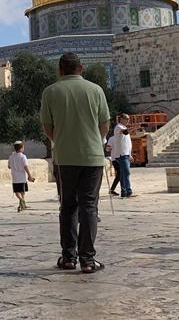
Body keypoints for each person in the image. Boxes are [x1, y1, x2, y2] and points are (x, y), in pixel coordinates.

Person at [40, 52, 110, 274]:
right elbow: (104, 125)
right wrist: (92, 140)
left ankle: (68, 257)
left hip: (64, 159)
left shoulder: (50, 92)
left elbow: (47, 128)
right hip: (92, 157)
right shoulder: (96, 90)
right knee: (89, 207)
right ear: (81, 68)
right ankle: (88, 260)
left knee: (68, 206)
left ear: (60, 70)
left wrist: (61, 141)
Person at [109, 114, 133, 198]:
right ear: (121, 119)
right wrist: (135, 127)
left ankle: (124, 192)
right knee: (126, 172)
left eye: (129, 119)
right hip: (121, 155)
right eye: (126, 119)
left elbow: (128, 144)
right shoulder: (119, 127)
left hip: (125, 154)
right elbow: (125, 132)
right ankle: (128, 190)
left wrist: (130, 155)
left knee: (123, 173)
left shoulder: (124, 128)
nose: (128, 120)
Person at [8, 141, 36, 212]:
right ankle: (22, 201)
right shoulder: (23, 156)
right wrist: (30, 176)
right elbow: (26, 166)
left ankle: (22, 203)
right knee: (22, 191)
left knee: (17, 191)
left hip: (15, 177)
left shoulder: (11, 157)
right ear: (21, 148)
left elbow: (9, 166)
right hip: (22, 177)